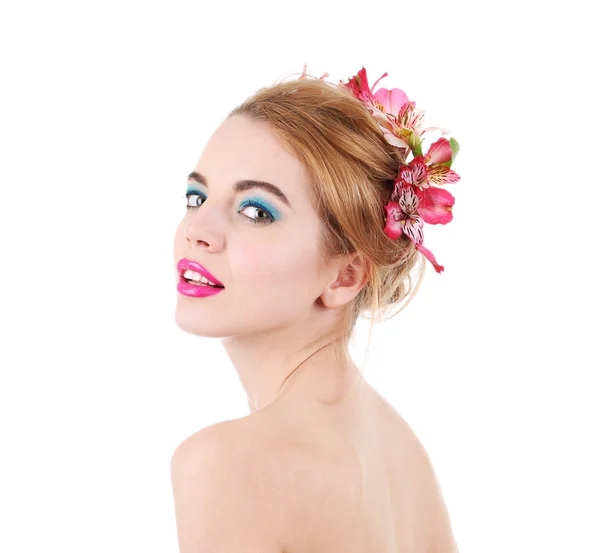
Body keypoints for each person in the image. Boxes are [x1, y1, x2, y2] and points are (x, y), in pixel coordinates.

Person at [170, 65, 460, 553]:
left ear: (345, 275)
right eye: (196, 196)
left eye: (256, 211)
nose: (198, 229)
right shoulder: (401, 451)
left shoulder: (226, 464)